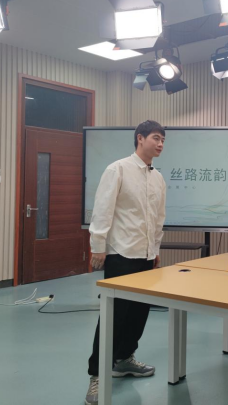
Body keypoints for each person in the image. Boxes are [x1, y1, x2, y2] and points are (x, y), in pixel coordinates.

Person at [84, 120, 167, 405]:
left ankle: (123, 358)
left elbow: (158, 217)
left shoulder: (158, 178)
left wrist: (155, 248)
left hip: (146, 256)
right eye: (156, 138)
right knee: (113, 317)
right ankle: (97, 375)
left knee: (139, 313)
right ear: (140, 138)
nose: (160, 144)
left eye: (163, 140)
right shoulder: (117, 169)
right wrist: (98, 247)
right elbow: (103, 209)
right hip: (120, 254)